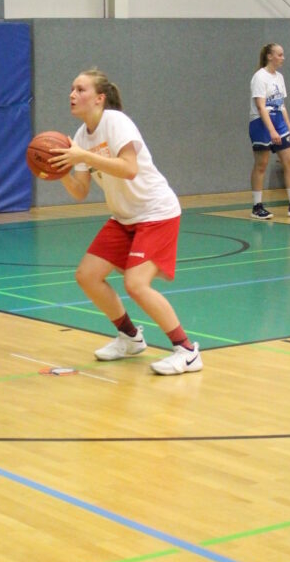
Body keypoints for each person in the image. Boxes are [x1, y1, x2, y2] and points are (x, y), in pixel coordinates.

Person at [49, 69, 203, 376]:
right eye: (72, 89)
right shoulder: (81, 137)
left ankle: (187, 351)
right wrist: (58, 170)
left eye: (80, 89)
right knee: (87, 276)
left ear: (99, 98)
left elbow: (129, 169)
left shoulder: (116, 122)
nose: (72, 94)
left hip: (155, 212)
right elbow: (80, 191)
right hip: (124, 217)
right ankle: (130, 338)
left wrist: (84, 157)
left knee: (136, 284)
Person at [249, 42, 290, 219]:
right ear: (269, 56)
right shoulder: (259, 77)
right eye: (279, 55)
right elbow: (261, 107)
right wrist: (272, 131)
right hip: (261, 122)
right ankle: (257, 206)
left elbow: (282, 106)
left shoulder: (279, 77)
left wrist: (289, 130)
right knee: (261, 164)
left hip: (279, 121)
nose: (283, 58)